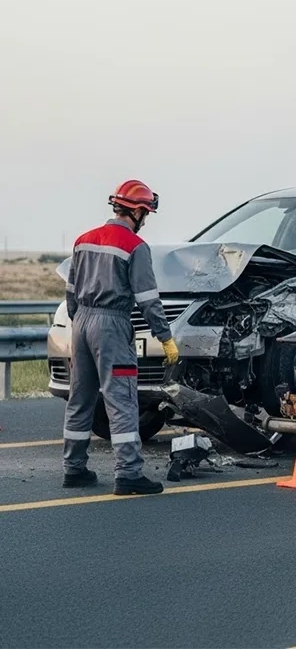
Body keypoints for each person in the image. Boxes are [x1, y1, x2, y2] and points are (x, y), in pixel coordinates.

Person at [62, 180, 180, 495]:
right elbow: (147, 299)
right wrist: (165, 337)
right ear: (137, 211)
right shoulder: (135, 246)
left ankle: (74, 468)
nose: (146, 221)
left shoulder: (83, 240)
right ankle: (128, 474)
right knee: (122, 400)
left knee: (80, 398)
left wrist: (80, 323)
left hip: (81, 322)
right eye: (146, 214)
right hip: (111, 325)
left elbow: (71, 291)